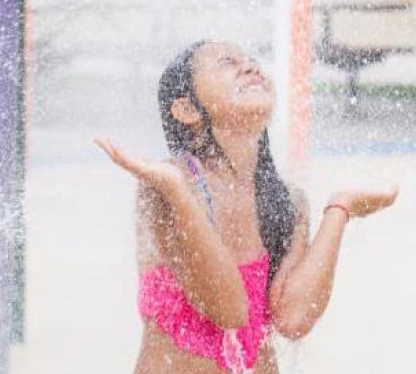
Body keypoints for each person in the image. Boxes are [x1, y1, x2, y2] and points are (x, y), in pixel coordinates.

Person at [93, 41, 398, 374]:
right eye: (227, 63)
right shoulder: (165, 186)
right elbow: (229, 310)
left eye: (252, 60)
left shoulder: (286, 201)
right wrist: (179, 194)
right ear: (187, 110)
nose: (251, 67)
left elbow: (294, 318)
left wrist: (340, 209)